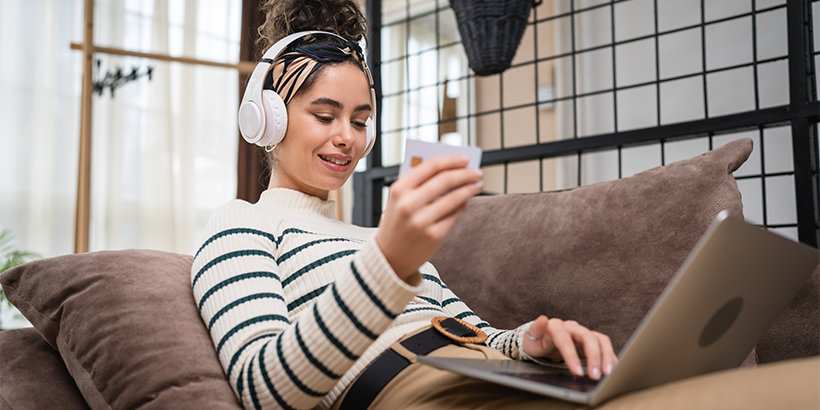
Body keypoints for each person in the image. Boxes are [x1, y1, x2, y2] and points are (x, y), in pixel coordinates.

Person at [191, 1, 820, 410]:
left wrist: (530, 341)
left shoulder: (380, 238)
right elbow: (265, 390)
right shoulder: (240, 225)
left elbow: (473, 333)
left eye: (361, 120)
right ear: (264, 119)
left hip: (501, 379)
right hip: (414, 392)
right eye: (324, 115)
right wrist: (388, 262)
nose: (347, 138)